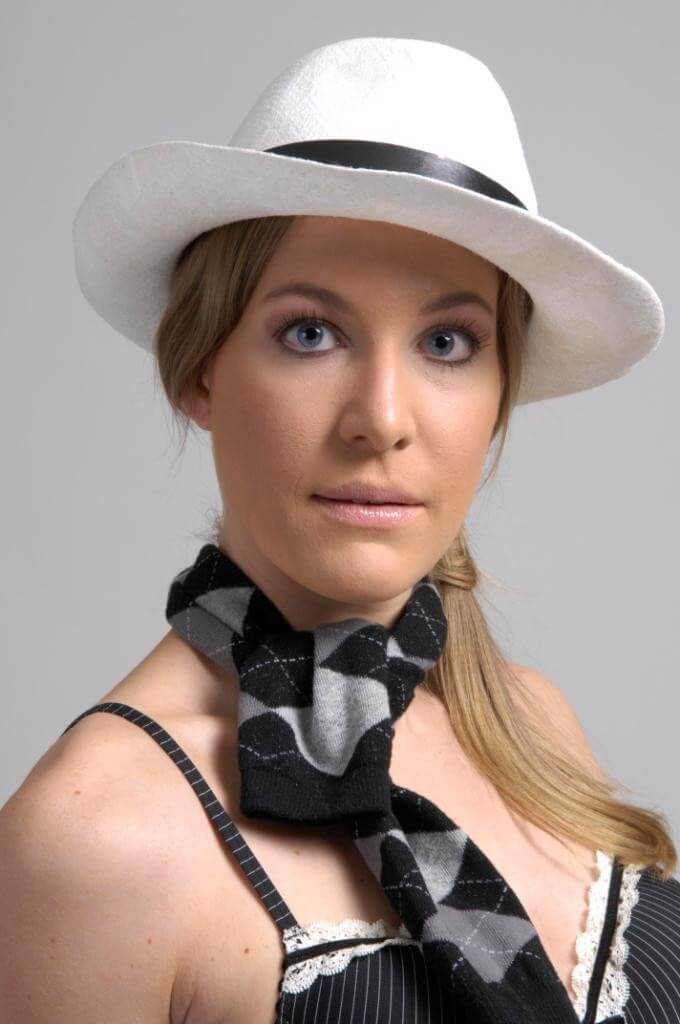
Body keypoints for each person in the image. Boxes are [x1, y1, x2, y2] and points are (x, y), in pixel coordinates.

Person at [1, 35, 677, 1024]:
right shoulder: (97, 840)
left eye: (448, 341)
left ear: (498, 395)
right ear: (200, 369)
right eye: (310, 333)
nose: (382, 419)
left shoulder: (533, 727)